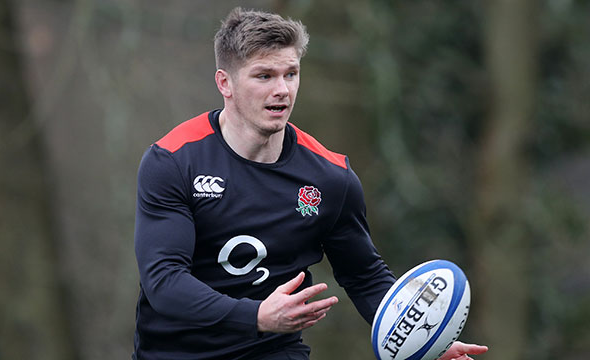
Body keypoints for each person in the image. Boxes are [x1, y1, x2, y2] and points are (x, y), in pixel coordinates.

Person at [132, 7, 488, 360]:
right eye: (264, 76)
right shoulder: (173, 161)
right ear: (225, 83)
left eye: (291, 74)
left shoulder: (330, 177)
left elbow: (363, 274)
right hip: (171, 353)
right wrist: (255, 316)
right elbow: (164, 281)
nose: (282, 90)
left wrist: (426, 344)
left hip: (272, 351)